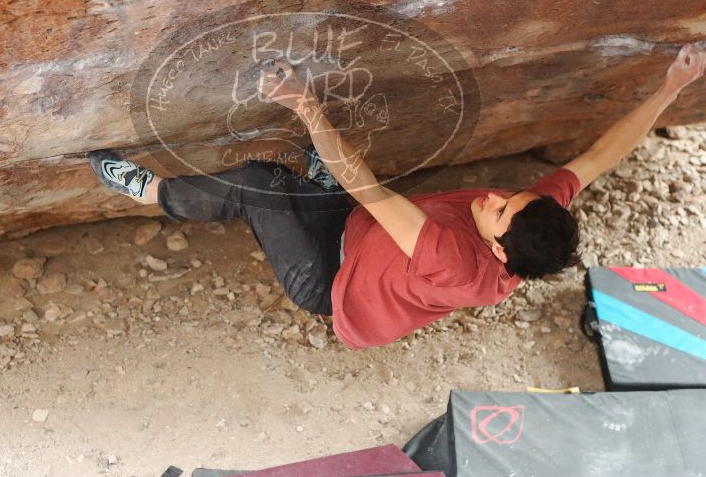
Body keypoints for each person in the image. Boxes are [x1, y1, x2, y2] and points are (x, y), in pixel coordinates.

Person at [90, 44, 706, 349]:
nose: (495, 195)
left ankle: (155, 192)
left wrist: (305, 103)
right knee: (320, 174)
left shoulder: (451, 257)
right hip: (366, 232)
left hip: (331, 278)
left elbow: (368, 185)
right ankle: (316, 187)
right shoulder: (528, 223)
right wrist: (673, 86)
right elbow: (600, 157)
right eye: (511, 196)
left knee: (261, 182)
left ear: (495, 252)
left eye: (498, 210)